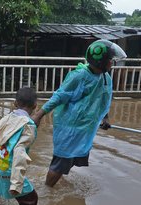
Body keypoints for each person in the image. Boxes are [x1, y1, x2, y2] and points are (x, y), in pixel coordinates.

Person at [32, 39, 127, 188]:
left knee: (70, 159)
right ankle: (46, 190)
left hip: (85, 128)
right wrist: (39, 115)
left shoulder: (105, 77)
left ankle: (56, 181)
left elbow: (105, 100)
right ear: (100, 62)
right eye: (110, 60)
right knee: (61, 161)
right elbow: (60, 96)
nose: (112, 63)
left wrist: (105, 117)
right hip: (70, 127)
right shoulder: (79, 76)